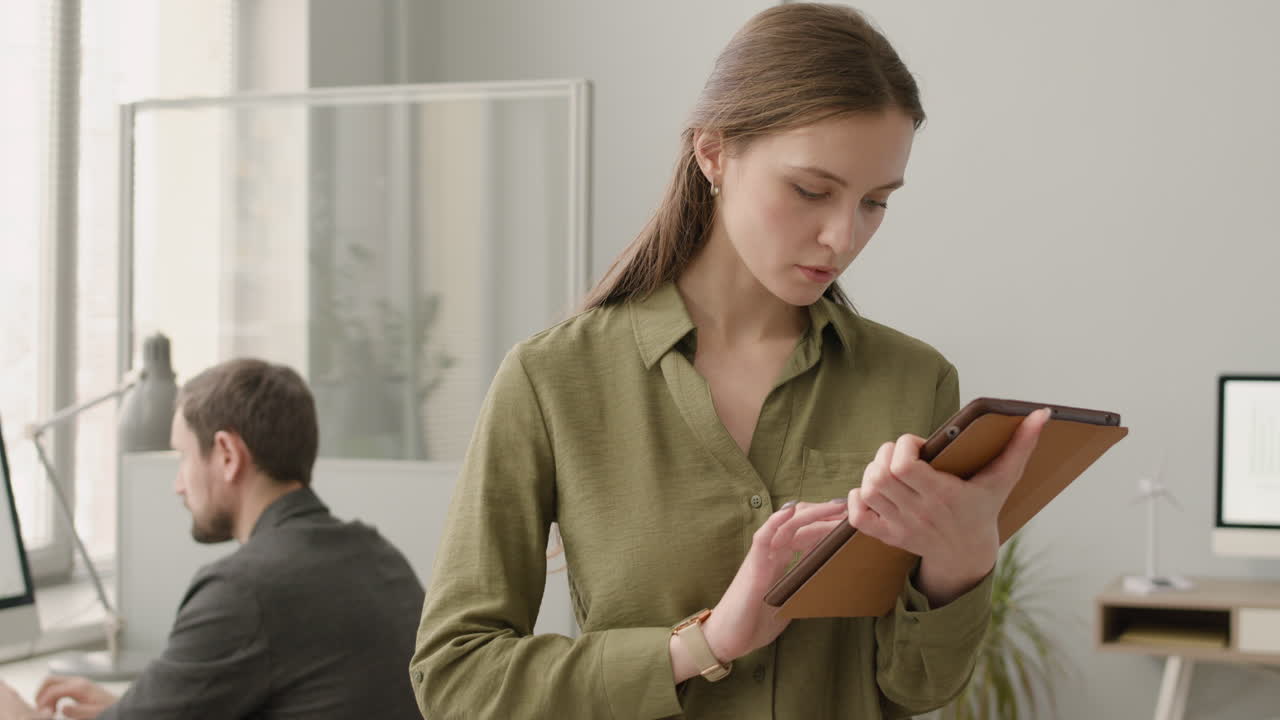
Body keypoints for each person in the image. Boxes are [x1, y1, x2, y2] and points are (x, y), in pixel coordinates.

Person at [410, 3, 1051, 718]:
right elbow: (456, 679)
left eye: (875, 202)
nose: (842, 237)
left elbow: (917, 689)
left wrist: (962, 565)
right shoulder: (552, 380)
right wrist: (704, 642)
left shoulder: (914, 380)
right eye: (811, 191)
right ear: (713, 154)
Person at [0, 358, 425, 719]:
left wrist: (15, 712)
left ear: (227, 454)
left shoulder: (245, 590)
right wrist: (129, 707)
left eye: (182, 457)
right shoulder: (378, 555)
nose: (178, 485)